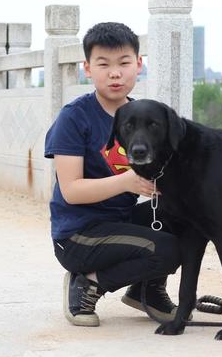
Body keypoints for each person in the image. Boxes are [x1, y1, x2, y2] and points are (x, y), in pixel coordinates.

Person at [44, 22, 181, 327]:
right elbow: (72, 191)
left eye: (124, 63)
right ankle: (88, 282)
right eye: (103, 64)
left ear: (139, 65)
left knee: (185, 217)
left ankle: (147, 290)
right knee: (167, 249)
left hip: (120, 224)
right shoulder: (75, 118)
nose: (115, 73)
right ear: (87, 68)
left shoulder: (146, 116)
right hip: (78, 234)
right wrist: (128, 181)